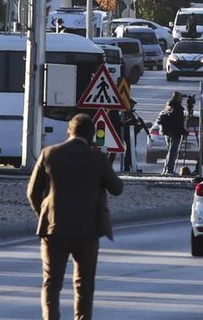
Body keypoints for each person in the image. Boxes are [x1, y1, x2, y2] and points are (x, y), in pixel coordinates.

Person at [27, 113, 124, 320]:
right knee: (84, 284)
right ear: (91, 137)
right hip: (87, 231)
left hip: (54, 229)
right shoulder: (97, 158)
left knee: (52, 282)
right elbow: (117, 188)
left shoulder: (49, 153)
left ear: (68, 132)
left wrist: (44, 215)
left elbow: (33, 192)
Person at [157, 92, 187, 175]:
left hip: (167, 132)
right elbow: (179, 122)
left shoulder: (169, 106)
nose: (182, 100)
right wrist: (183, 131)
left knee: (170, 151)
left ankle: (166, 169)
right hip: (174, 132)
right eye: (181, 98)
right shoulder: (178, 108)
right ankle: (169, 170)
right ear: (177, 98)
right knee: (173, 152)